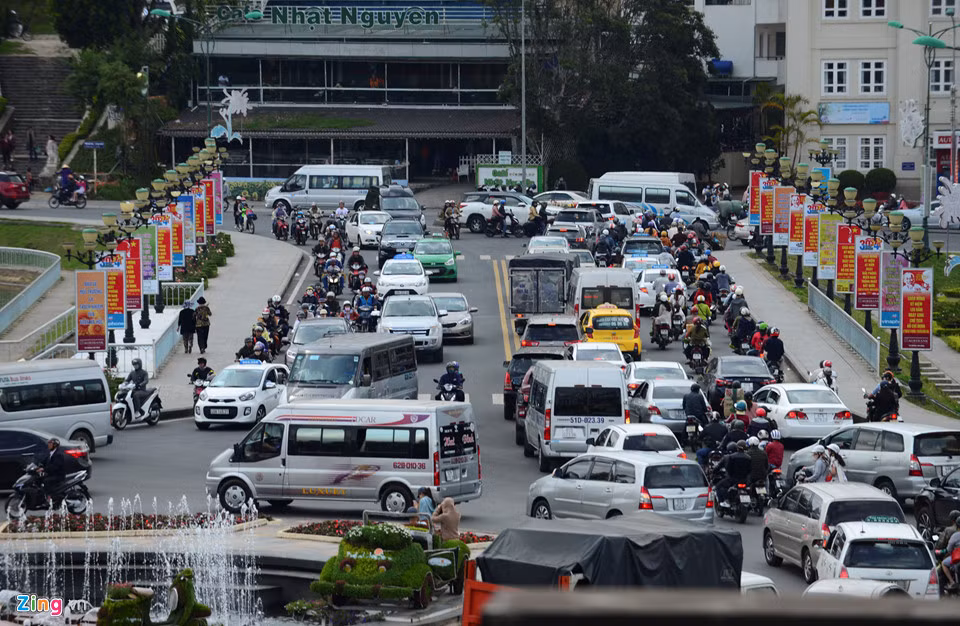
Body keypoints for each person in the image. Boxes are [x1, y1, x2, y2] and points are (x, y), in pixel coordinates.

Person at [941, 512, 960, 589]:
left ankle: (952, 582)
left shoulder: (955, 535)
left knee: (944, 563)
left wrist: (940, 552)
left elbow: (948, 550)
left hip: (957, 559)